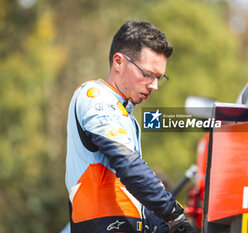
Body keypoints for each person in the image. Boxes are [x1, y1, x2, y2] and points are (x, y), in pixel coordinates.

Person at [65, 20, 196, 233]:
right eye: (147, 74)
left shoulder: (124, 114)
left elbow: (128, 193)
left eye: (159, 78)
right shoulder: (95, 97)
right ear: (118, 62)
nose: (154, 85)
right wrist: (173, 213)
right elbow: (128, 166)